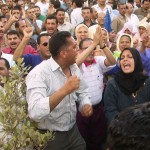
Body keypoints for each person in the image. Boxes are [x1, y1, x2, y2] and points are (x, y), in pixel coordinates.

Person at [26, 31, 93, 150]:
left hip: (73, 132)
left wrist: (85, 103)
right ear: (63, 53)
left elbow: (82, 92)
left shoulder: (73, 67)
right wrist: (64, 90)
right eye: (74, 47)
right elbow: (35, 112)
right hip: (50, 137)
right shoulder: (38, 74)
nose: (78, 50)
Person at [76, 26, 116, 150]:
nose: (91, 51)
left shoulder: (98, 61)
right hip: (81, 111)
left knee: (97, 141)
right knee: (83, 142)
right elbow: (76, 63)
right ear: (79, 50)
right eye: (87, 48)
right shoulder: (77, 64)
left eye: (93, 48)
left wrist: (102, 45)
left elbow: (112, 61)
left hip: (98, 110)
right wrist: (94, 43)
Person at [103, 47, 150, 125]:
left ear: (137, 60)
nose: (125, 59)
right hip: (122, 132)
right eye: (122, 58)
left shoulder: (147, 82)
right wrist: (126, 127)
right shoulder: (113, 84)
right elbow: (110, 110)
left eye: (130, 57)